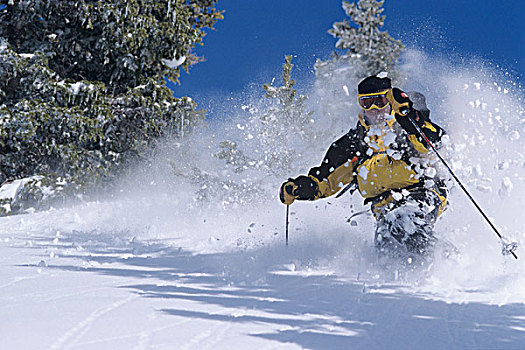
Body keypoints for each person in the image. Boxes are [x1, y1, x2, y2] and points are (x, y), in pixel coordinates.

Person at [279, 75, 448, 256]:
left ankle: (444, 263)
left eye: (379, 101)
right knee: (387, 245)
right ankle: (403, 281)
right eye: (367, 103)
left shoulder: (406, 126)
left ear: (389, 101)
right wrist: (300, 188)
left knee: (404, 224)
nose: (374, 109)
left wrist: (410, 119)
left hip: (422, 192)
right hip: (383, 207)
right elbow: (325, 181)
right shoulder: (354, 144)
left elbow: (434, 141)